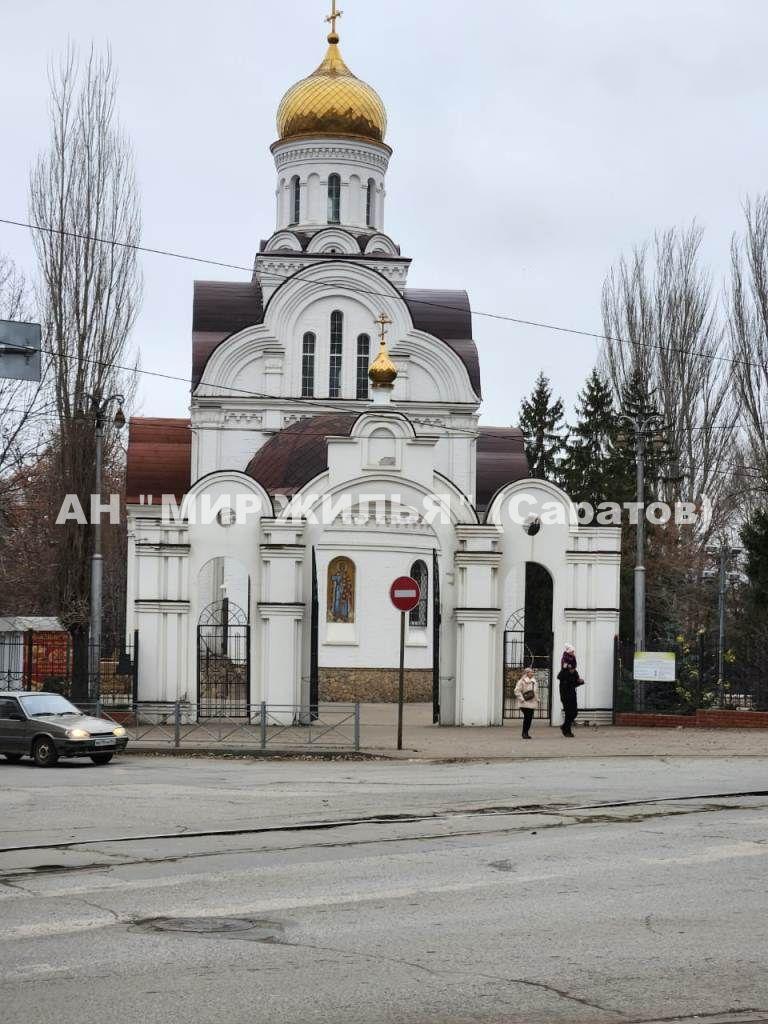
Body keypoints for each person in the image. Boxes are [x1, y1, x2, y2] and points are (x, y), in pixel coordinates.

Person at [557, 644, 582, 737]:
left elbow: (575, 683)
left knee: (574, 712)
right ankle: (567, 731)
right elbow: (565, 683)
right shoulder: (563, 673)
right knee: (569, 713)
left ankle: (564, 726)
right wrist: (573, 680)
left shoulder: (575, 672)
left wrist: (580, 682)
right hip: (565, 695)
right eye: (571, 667)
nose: (573, 669)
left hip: (572, 694)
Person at [514, 667, 538, 739]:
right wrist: (522, 699)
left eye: (532, 672)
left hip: (532, 702)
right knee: (527, 717)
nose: (532, 673)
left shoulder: (534, 681)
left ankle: (526, 733)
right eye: (530, 672)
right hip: (524, 702)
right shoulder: (522, 681)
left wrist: (537, 699)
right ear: (527, 673)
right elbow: (516, 691)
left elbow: (535, 692)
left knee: (529, 718)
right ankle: (524, 733)